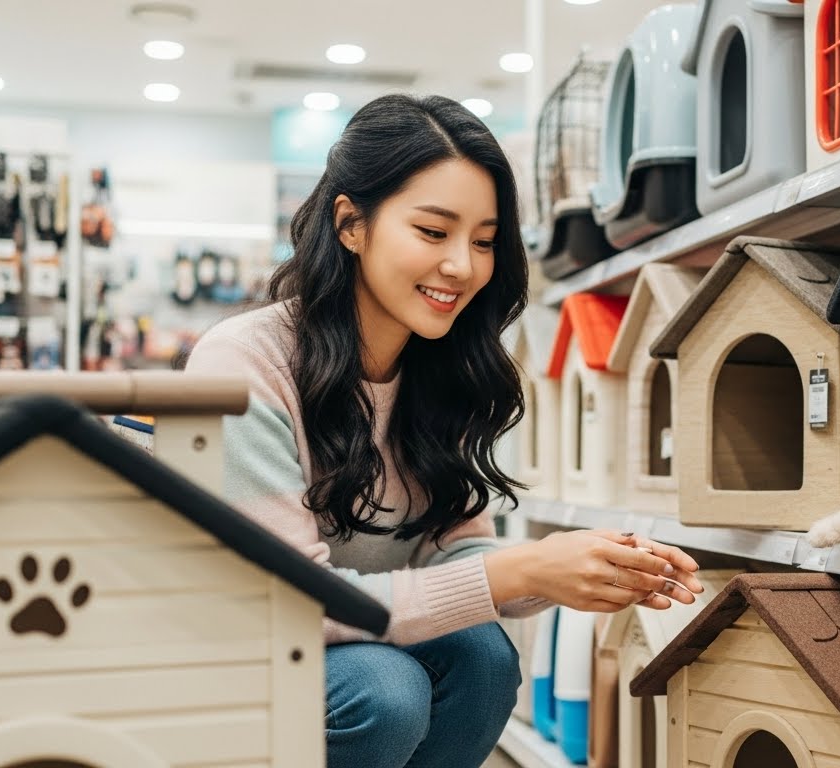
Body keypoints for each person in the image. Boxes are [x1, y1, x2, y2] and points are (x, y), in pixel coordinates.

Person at [184, 93, 704, 768]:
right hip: (233, 648)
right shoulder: (244, 362)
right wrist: (521, 567)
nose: (462, 265)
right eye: (433, 233)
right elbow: (286, 605)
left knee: (484, 657)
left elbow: (453, 555)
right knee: (384, 692)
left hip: (347, 650)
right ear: (350, 223)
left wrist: (570, 567)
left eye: (484, 241)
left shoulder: (439, 366)